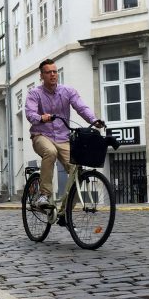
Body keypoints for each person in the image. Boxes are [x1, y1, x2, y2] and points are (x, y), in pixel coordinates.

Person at [24, 59, 104, 209]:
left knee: (76, 171)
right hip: (41, 135)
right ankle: (44, 195)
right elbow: (30, 114)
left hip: (63, 137)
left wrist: (94, 120)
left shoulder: (68, 91)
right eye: (48, 72)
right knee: (50, 152)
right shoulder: (34, 93)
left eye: (54, 71)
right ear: (41, 75)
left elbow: (81, 107)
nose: (53, 75)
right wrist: (41, 118)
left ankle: (65, 212)